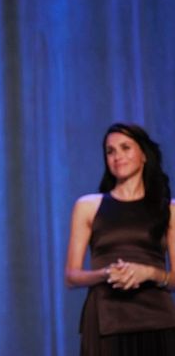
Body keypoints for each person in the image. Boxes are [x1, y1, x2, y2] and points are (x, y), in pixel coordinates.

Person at [65, 123, 175, 355]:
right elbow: (71, 276)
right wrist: (105, 273)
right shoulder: (88, 206)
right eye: (110, 151)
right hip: (105, 320)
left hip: (156, 320)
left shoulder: (169, 209)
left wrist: (149, 273)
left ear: (144, 155)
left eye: (125, 148)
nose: (117, 156)